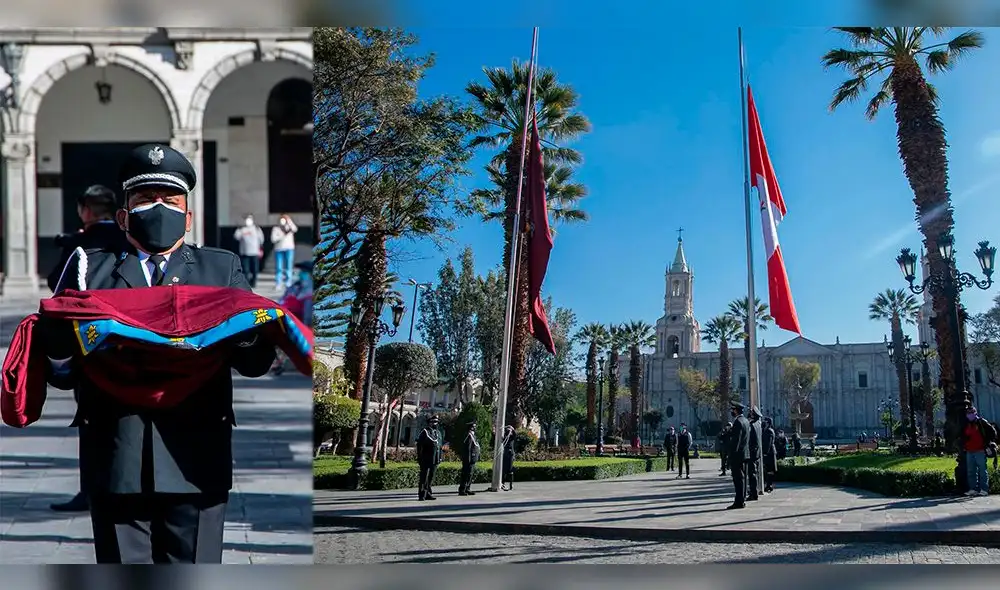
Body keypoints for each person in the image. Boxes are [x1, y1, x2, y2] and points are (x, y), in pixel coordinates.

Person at [46, 143, 276, 563]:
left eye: (170, 201)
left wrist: (249, 329)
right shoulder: (88, 268)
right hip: (117, 451)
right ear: (123, 215)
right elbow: (58, 361)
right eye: (145, 200)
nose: (158, 209)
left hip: (196, 455)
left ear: (187, 217)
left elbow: (254, 363)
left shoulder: (219, 270)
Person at [46, 185, 129, 513]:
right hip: (127, 341)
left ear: (85, 210)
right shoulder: (130, 238)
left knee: (92, 423)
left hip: (91, 347)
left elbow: (58, 284)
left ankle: (92, 490)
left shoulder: (80, 243)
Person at [962, 405, 997, 497]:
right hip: (969, 450)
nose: (970, 414)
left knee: (982, 470)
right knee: (971, 471)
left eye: (971, 412)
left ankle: (984, 489)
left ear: (975, 412)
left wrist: (988, 442)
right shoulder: (966, 423)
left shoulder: (982, 422)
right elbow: (963, 435)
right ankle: (973, 489)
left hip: (980, 450)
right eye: (968, 413)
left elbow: (992, 431)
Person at [727, 402, 750, 510]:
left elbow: (736, 441)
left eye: (732, 410)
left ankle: (739, 501)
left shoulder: (738, 422)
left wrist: (731, 456)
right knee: (743, 478)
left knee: (738, 479)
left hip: (737, 456)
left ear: (736, 410)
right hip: (744, 454)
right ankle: (742, 499)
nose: (732, 412)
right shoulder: (745, 421)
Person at [416, 415, 443, 501]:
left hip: (435, 459)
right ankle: (422, 494)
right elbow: (419, 446)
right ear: (429, 423)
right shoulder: (425, 432)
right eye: (433, 422)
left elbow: (440, 446)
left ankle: (428, 493)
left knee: (431, 477)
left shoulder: (438, 433)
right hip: (426, 459)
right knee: (424, 478)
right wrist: (420, 458)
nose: (435, 423)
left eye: (436, 422)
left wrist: (440, 457)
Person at [233, 214, 264, 287]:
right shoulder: (242, 229)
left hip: (254, 252)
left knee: (254, 269)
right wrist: (239, 229)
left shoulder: (256, 229)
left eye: (249, 219)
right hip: (245, 252)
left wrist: (260, 249)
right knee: (245, 270)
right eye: (246, 219)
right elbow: (236, 237)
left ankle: (254, 282)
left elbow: (261, 240)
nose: (248, 221)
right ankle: (247, 283)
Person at [270, 214, 298, 290]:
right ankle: (278, 283)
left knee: (288, 266)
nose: (283, 221)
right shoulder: (276, 228)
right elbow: (273, 239)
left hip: (289, 249)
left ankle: (288, 282)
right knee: (279, 267)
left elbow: (295, 229)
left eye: (284, 219)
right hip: (279, 249)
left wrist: (289, 220)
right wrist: (281, 236)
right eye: (282, 219)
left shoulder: (289, 227)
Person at [458, 421, 481, 496]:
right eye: (473, 427)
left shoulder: (473, 435)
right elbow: (468, 448)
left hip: (472, 459)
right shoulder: (469, 435)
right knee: (466, 474)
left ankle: (467, 488)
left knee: (470, 474)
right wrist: (468, 459)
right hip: (468, 459)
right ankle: (462, 489)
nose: (474, 428)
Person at [747, 406, 762, 501]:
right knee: (755, 473)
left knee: (752, 474)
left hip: (752, 453)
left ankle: (753, 493)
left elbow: (750, 440)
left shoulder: (752, 425)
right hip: (757, 453)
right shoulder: (758, 424)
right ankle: (754, 491)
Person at [761, 416, 778, 493]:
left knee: (769, 470)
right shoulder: (768, 430)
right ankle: (768, 485)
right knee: (768, 470)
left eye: (765, 422)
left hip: (769, 453)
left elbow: (768, 443)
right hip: (770, 452)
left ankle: (769, 485)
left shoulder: (769, 431)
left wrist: (765, 453)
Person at [501, 425, 516, 491]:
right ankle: (502, 483)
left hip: (510, 454)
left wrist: (512, 429)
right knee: (503, 470)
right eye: (507, 430)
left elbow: (515, 434)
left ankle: (511, 484)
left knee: (509, 470)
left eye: (509, 431)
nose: (508, 432)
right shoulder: (504, 437)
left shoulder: (512, 437)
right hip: (504, 454)